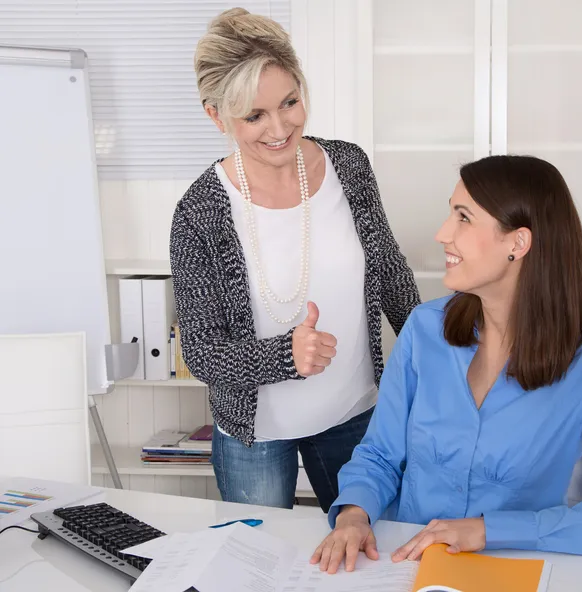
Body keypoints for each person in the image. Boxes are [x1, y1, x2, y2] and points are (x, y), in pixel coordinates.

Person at [169, 7, 420, 512]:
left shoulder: (347, 165)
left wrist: (439, 359)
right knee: (260, 565)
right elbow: (201, 352)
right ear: (216, 115)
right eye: (254, 115)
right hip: (255, 436)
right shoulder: (199, 213)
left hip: (355, 413)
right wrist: (286, 357)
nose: (280, 127)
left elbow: (389, 272)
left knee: (369, 553)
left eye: (289, 102)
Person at [312, 154, 582, 572]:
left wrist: (486, 530)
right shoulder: (424, 330)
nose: (443, 233)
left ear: (517, 243)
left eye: (463, 218)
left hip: (512, 568)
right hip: (402, 563)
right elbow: (379, 454)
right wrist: (355, 515)